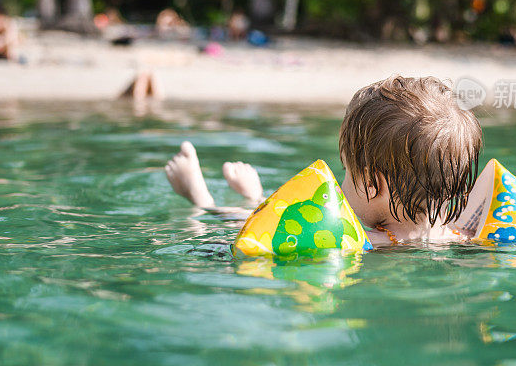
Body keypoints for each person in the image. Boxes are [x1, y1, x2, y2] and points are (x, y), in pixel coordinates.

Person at [165, 76, 483, 246]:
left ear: (372, 183)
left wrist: (240, 205)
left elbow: (257, 231)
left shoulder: (364, 238)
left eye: (347, 171)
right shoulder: (461, 234)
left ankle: (199, 196)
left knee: (237, 220)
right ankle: (254, 196)